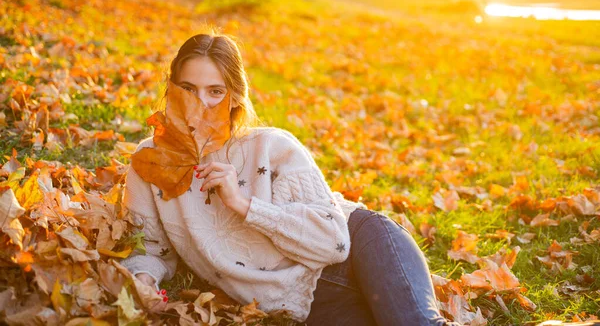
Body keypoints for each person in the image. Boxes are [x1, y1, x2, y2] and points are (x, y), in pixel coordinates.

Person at [119, 29, 460, 326]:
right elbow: (150, 248)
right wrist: (144, 278)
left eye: (215, 91)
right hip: (314, 302)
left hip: (362, 248)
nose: (200, 104)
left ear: (235, 96)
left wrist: (244, 204)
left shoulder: (271, 146)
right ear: (171, 87)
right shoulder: (149, 163)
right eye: (188, 88)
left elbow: (333, 241)